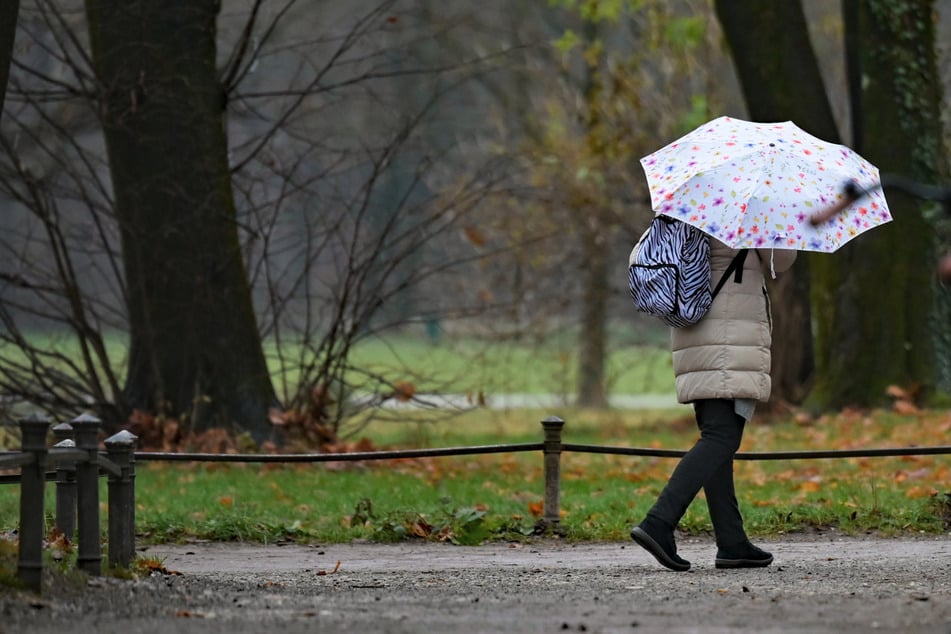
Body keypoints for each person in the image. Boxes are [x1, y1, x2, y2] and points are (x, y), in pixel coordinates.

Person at [630, 238, 797, 571]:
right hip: (728, 333)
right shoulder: (747, 207)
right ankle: (659, 522)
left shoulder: (695, 206)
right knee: (722, 438)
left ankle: (732, 541)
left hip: (696, 324)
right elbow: (782, 261)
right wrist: (781, 227)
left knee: (717, 439)